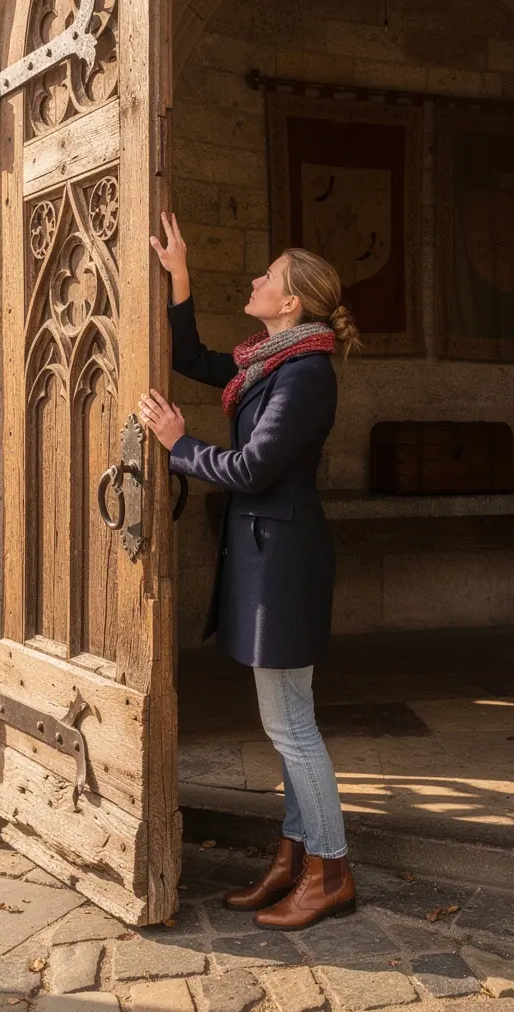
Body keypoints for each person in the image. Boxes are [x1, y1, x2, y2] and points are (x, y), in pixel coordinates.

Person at [139, 212, 360, 931]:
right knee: (291, 721)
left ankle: (330, 871)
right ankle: (293, 860)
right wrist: (179, 277)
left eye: (268, 276)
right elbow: (194, 357)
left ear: (292, 302)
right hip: (272, 559)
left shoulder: (306, 375)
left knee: (292, 725)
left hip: (284, 565)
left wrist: (177, 443)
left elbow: (252, 468)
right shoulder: (269, 361)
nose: (257, 280)